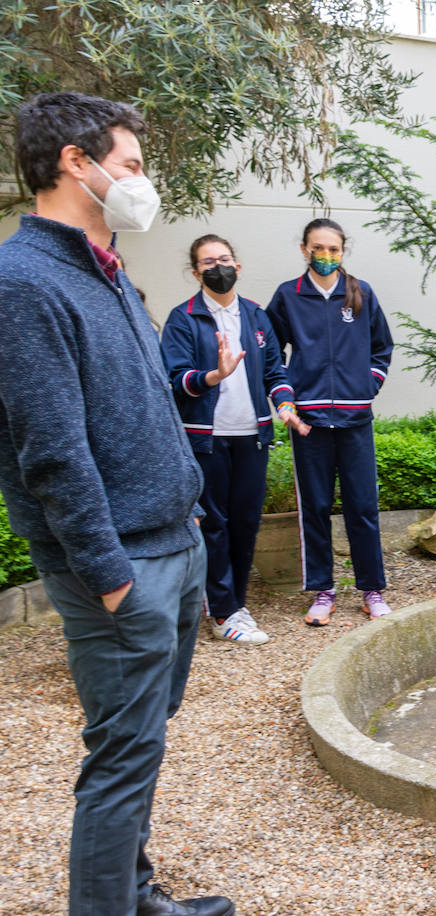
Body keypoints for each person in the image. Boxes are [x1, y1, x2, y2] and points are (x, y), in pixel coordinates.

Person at [0, 93, 233, 915]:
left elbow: (142, 412)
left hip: (173, 545)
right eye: (131, 165)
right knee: (121, 758)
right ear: (76, 162)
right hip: (121, 567)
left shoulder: (107, 274)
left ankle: (135, 895)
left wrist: (191, 519)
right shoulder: (23, 283)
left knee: (142, 742)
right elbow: (51, 453)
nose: (141, 182)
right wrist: (108, 577)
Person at [160, 234, 310, 645]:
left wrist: (285, 408)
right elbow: (175, 380)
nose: (217, 267)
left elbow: (275, 373)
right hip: (206, 439)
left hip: (252, 435)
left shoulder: (257, 317)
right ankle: (223, 611)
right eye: (208, 262)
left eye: (223, 259)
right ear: (196, 272)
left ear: (238, 267)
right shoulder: (183, 318)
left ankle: (234, 603)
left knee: (245, 523)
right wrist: (214, 375)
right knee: (214, 525)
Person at [265, 218, 393, 626]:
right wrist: (286, 400)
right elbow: (272, 357)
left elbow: (382, 347)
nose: (325, 256)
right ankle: (323, 590)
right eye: (318, 248)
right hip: (309, 422)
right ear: (304, 249)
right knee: (315, 507)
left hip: (355, 419)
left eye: (333, 249)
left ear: (343, 251)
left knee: (362, 506)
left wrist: (367, 386)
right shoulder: (288, 296)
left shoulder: (361, 293)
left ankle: (371, 589)